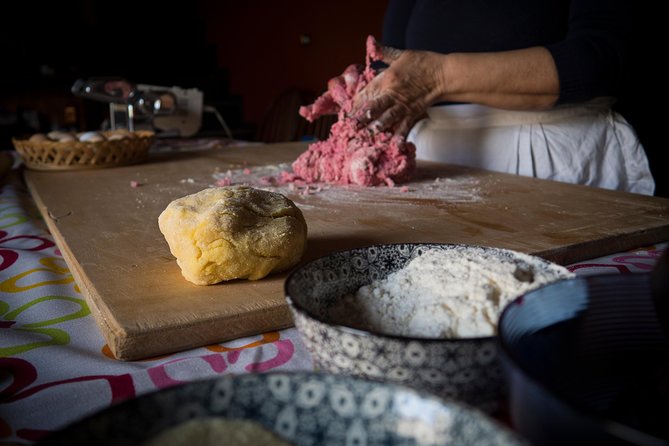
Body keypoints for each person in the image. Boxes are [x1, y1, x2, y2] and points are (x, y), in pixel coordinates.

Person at [349, 0, 655, 196]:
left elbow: (599, 60)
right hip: (433, 160)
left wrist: (440, 76)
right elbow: (390, 63)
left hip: (557, 161)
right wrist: (363, 90)